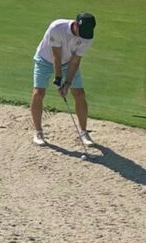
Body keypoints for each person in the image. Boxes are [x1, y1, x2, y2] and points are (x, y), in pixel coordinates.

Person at [30, 12, 97, 147]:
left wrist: (67, 83)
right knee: (39, 92)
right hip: (44, 60)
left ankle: (84, 132)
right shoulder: (57, 27)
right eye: (81, 31)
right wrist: (58, 79)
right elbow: (56, 57)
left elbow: (75, 61)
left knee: (79, 93)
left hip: (68, 63)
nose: (83, 35)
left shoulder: (87, 36)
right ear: (76, 24)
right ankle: (38, 132)